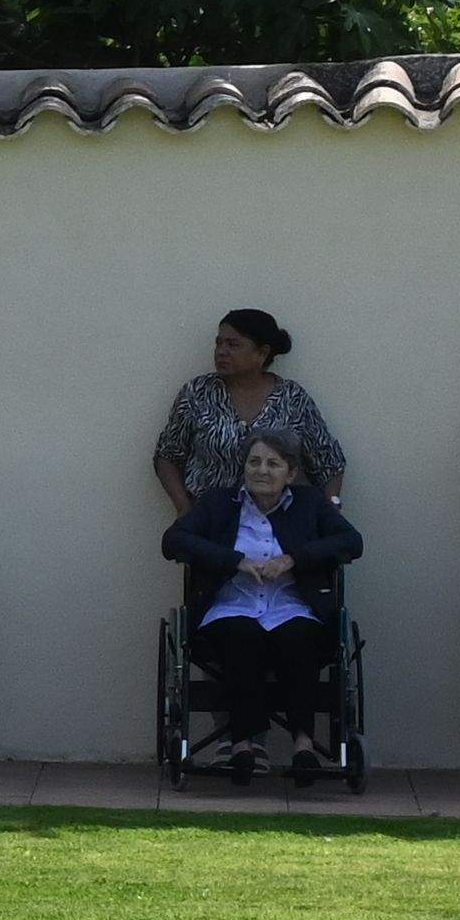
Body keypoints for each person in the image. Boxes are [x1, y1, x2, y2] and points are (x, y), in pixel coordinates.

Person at [163, 435, 358, 772]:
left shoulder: (310, 503)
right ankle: (241, 744)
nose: (261, 471)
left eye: (272, 464)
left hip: (290, 607)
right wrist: (234, 560)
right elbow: (174, 540)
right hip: (232, 606)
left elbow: (351, 541)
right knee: (242, 636)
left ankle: (304, 745)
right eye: (254, 462)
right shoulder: (218, 503)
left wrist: (293, 559)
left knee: (300, 638)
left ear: (291, 473)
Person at [148, 306, 342, 517]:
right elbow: (167, 456)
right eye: (219, 343)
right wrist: (184, 508)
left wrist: (331, 509)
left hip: (279, 528)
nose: (221, 351)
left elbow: (329, 463)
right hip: (211, 525)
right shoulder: (197, 393)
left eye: (233, 344)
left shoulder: (292, 398)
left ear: (262, 353)